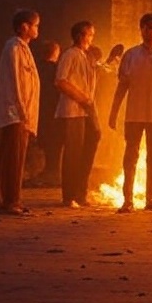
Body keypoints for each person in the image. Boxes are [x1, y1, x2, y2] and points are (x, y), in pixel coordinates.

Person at [109, 12, 152, 213]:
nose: (151, 32)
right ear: (141, 30)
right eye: (147, 28)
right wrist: (114, 112)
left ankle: (150, 199)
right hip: (134, 113)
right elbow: (122, 86)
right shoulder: (130, 55)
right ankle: (128, 200)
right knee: (131, 155)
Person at [0, 9, 41, 216]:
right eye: (35, 25)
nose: (37, 29)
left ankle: (0, 198)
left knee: (10, 155)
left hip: (21, 112)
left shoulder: (24, 48)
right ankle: (11, 200)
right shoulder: (13, 47)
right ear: (24, 26)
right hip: (16, 112)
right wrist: (22, 109)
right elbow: (16, 81)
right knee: (14, 157)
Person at [55, 21, 100, 208]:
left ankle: (81, 192)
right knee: (73, 151)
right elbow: (60, 81)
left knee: (94, 138)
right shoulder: (70, 54)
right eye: (89, 35)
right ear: (81, 36)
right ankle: (69, 196)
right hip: (73, 109)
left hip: (87, 108)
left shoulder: (85, 56)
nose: (91, 39)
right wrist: (81, 98)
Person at [31, 40, 62, 187]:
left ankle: (47, 171)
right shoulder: (56, 69)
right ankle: (53, 172)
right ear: (55, 53)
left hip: (40, 110)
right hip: (54, 111)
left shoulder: (36, 68)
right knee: (54, 144)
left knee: (44, 142)